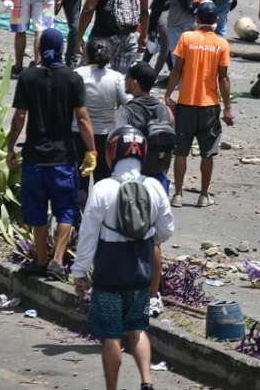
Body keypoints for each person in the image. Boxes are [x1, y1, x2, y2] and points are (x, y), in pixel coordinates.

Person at [72, 125, 174, 390]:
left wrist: (79, 271)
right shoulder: (154, 186)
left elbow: (88, 235)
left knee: (111, 336)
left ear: (112, 153)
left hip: (109, 274)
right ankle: (146, 383)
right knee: (138, 329)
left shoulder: (104, 188)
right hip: (140, 273)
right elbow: (166, 230)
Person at [6, 28, 96, 280]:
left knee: (36, 210)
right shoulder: (72, 78)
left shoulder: (28, 77)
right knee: (66, 209)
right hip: (62, 157)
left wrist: (10, 147)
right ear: (61, 49)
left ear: (40, 48)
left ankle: (41, 260)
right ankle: (57, 260)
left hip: (34, 157)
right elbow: (82, 118)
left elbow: (19, 117)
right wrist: (91, 150)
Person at [115, 61, 175, 316]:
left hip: (133, 180)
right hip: (159, 179)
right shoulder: (163, 109)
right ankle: (152, 296)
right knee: (153, 241)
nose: (126, 82)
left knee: (126, 237)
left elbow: (116, 140)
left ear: (135, 83)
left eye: (128, 79)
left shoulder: (126, 111)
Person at [164, 0, 232, 208]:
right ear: (215, 20)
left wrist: (167, 95)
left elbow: (176, 70)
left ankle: (178, 195)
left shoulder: (186, 38)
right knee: (208, 152)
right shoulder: (221, 43)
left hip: (186, 104)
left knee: (180, 151)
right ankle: (203, 195)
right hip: (209, 106)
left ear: (197, 18)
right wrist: (228, 108)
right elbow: (223, 78)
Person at [71, 40, 130, 194]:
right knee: (103, 183)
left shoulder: (77, 74)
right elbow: (129, 102)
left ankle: (79, 215)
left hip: (78, 134)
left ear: (87, 54)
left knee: (79, 181)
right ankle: (102, 216)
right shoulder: (116, 77)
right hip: (106, 137)